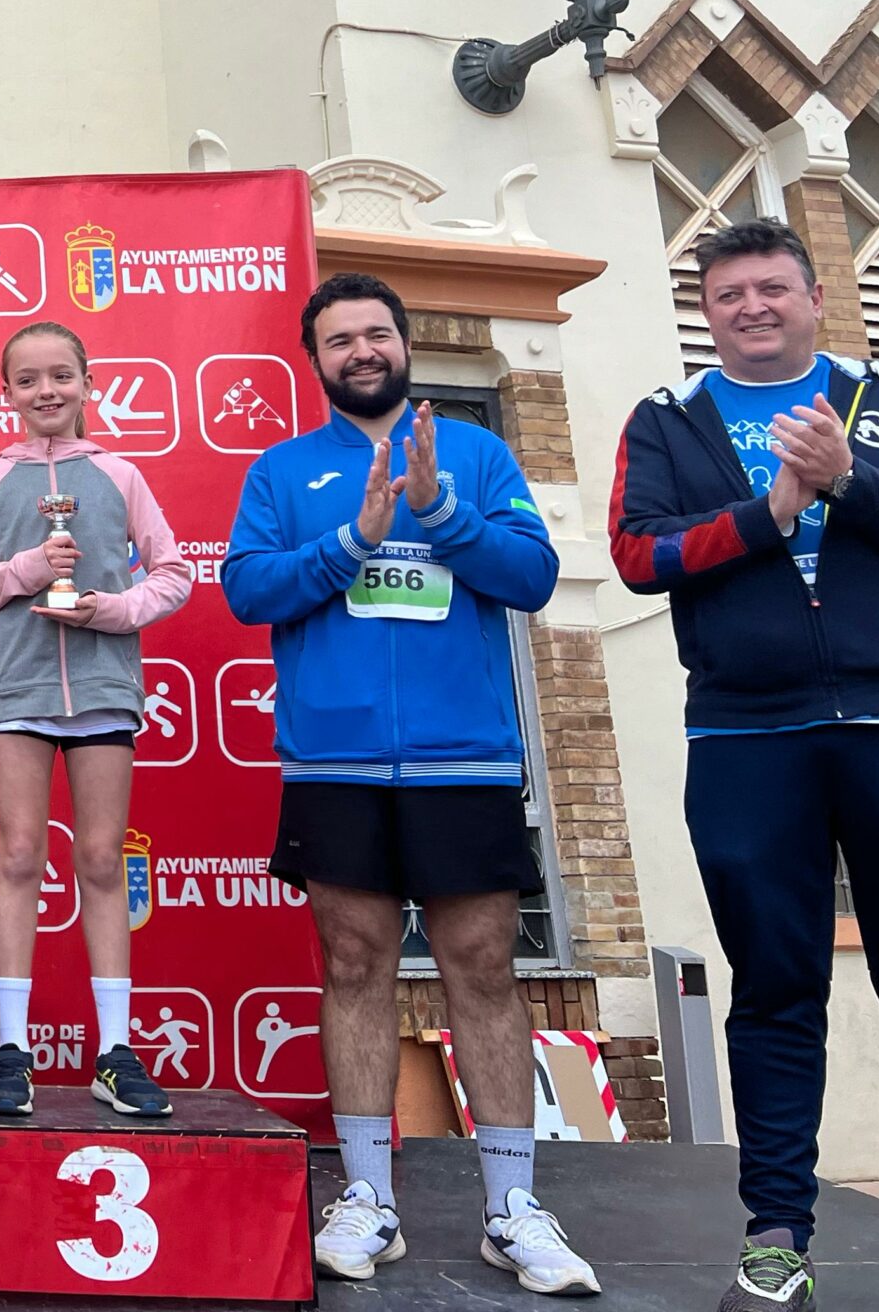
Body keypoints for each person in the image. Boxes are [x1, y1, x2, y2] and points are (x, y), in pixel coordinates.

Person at [223, 272, 598, 1296]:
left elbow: (529, 577)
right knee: (353, 965)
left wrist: (439, 512)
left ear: (402, 342)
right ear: (315, 360)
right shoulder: (283, 469)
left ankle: (512, 1209)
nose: (362, 351)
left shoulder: (473, 454)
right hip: (334, 760)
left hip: (462, 756)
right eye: (340, 340)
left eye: (376, 334)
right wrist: (350, 541)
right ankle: (368, 1198)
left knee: (482, 964)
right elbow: (248, 588)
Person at [609, 219, 879, 1312]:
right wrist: (768, 513)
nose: (751, 308)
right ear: (708, 312)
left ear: (815, 298)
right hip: (744, 738)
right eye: (729, 294)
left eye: (772, 288)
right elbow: (639, 554)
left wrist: (848, 482)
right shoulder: (666, 419)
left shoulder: (877, 399)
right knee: (775, 990)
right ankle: (776, 1240)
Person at [0, 321, 192, 1120]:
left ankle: (115, 1052)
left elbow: (174, 573)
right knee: (19, 854)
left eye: (60, 376)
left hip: (105, 688)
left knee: (102, 859)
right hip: (17, 692)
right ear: (5, 393)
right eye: (27, 380)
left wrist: (109, 610)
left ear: (89, 382)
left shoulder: (121, 474)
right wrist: (23, 570)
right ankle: (10, 1050)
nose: (45, 391)